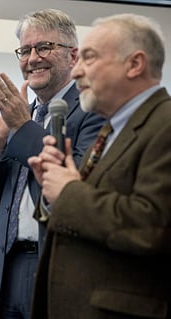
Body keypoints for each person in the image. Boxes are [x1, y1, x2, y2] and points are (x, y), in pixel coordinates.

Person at [27, 13, 171, 319]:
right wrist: (55, 195)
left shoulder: (165, 126)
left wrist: (68, 192)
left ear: (135, 64)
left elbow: (153, 226)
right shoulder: (111, 130)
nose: (76, 71)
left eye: (89, 58)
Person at [0, 9, 105, 319]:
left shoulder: (95, 109)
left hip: (59, 265)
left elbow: (79, 186)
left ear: (73, 55)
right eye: (24, 50)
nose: (32, 58)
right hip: (8, 266)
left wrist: (23, 127)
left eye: (44, 47)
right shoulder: (19, 115)